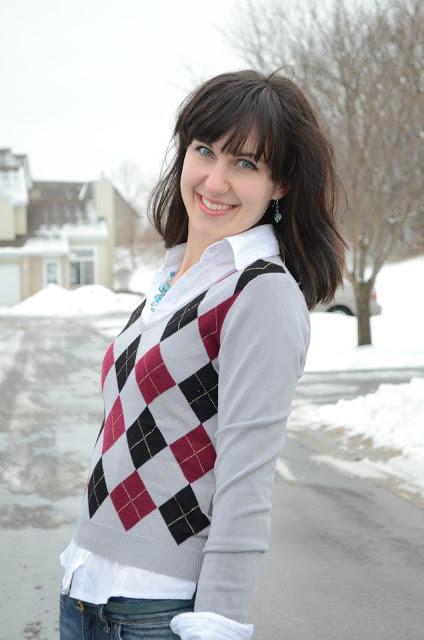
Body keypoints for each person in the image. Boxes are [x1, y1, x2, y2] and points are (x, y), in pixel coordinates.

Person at [59, 68, 347, 640]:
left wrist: (217, 624)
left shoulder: (260, 291)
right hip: (85, 590)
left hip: (155, 612)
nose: (215, 181)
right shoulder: (173, 279)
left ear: (281, 183)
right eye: (205, 151)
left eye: (245, 163)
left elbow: (246, 477)